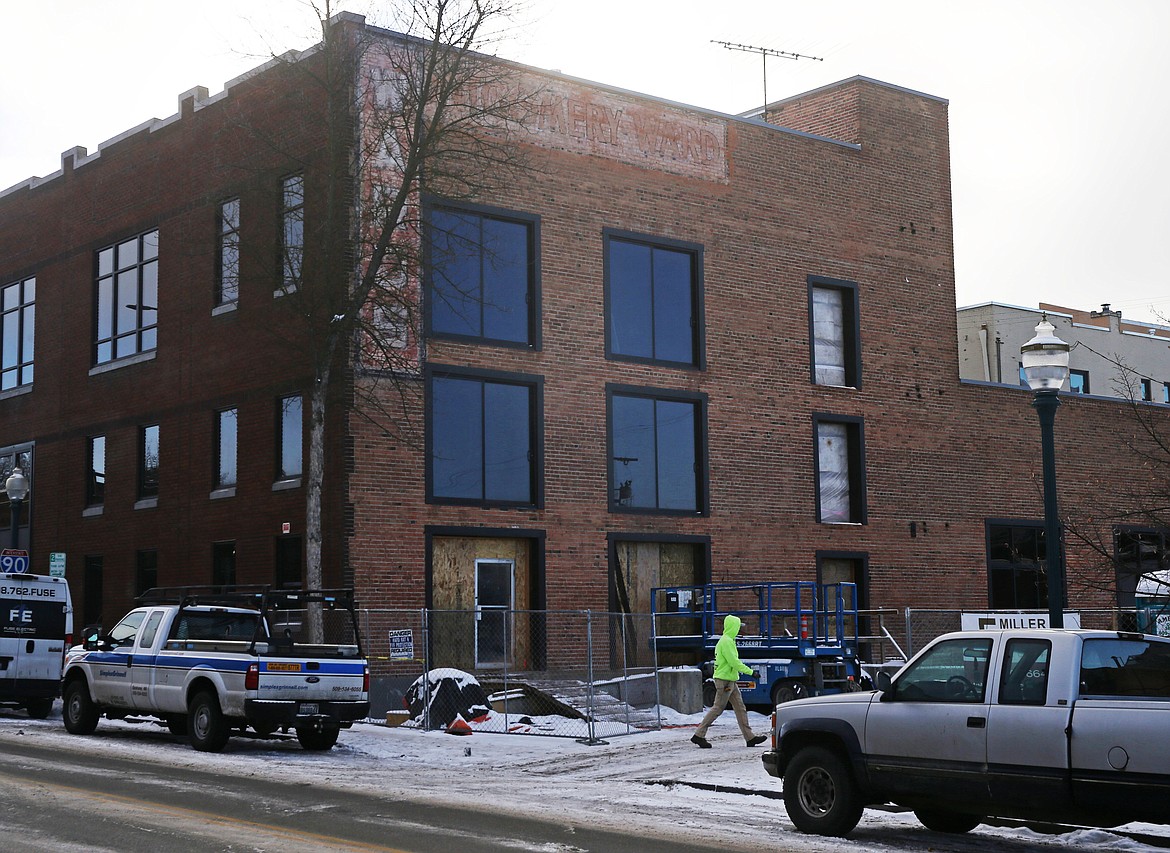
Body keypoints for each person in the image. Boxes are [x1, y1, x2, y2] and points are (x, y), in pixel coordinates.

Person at [691, 613, 767, 748]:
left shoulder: (728, 640)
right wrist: (750, 672)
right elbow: (733, 662)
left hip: (730, 680)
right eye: (737, 626)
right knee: (717, 708)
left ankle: (750, 738)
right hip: (724, 681)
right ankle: (699, 735)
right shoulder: (726, 642)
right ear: (733, 627)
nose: (738, 629)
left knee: (740, 708)